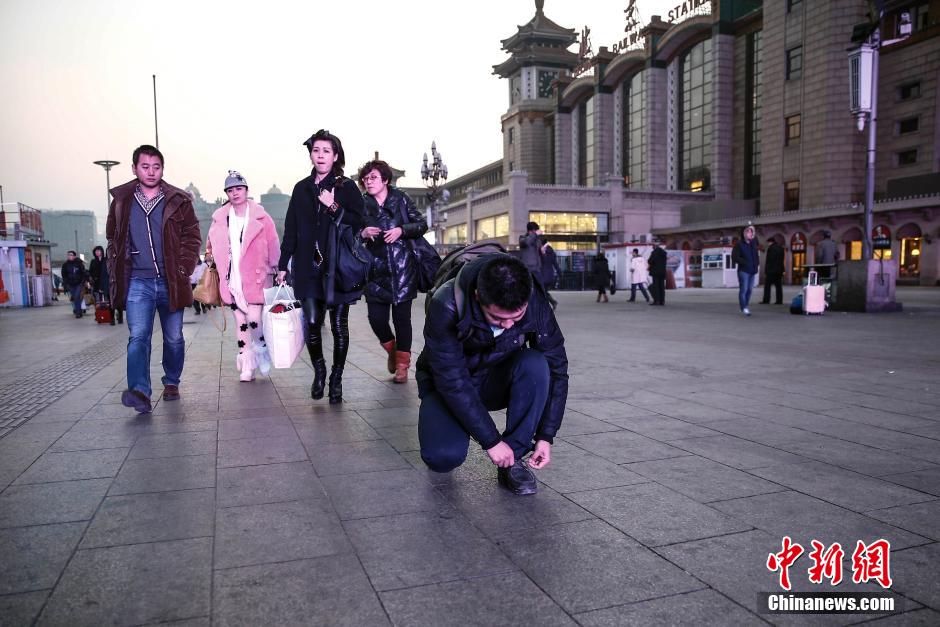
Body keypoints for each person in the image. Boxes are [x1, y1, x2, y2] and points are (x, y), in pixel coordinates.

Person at [416, 254, 568, 495]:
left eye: (516, 318)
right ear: (478, 297)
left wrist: (546, 435)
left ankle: (513, 459)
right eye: (498, 318)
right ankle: (457, 424)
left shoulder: (535, 300)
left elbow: (558, 369)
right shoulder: (446, 303)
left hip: (496, 379)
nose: (508, 326)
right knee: (442, 458)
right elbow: (453, 382)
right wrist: (492, 441)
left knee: (536, 364)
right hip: (448, 385)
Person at [106, 144, 201, 413]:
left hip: (171, 280)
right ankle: (140, 391)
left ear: (163, 168)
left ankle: (171, 381)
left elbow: (192, 236)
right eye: (145, 166)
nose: (150, 171)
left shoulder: (178, 200)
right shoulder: (122, 201)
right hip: (138, 281)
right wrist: (117, 262)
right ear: (134, 168)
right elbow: (113, 236)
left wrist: (183, 268)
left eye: (156, 166)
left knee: (174, 338)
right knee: (138, 336)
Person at [278, 130, 365, 404]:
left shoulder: (346, 187)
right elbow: (291, 228)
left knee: (339, 326)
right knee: (313, 323)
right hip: (307, 267)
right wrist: (283, 264)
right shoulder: (301, 188)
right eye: (316, 150)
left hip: (337, 267)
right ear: (311, 154)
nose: (321, 155)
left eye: (326, 151)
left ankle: (336, 379)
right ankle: (319, 370)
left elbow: (359, 220)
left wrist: (333, 206)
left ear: (335, 155)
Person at [208, 171, 281, 382]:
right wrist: (212, 257)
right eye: (230, 190)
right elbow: (211, 245)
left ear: (247, 191)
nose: (235, 193)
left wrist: (277, 268)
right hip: (232, 280)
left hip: (256, 277)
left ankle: (261, 349)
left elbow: (273, 243)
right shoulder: (220, 219)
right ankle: (247, 366)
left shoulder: (261, 217)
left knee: (254, 320)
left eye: (239, 189)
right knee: (241, 325)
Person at [359, 159, 427, 384]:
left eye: (373, 178)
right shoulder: (361, 204)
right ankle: (392, 350)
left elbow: (421, 224)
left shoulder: (401, 199)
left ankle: (402, 366)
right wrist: (362, 233)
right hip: (375, 271)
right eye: (366, 178)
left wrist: (401, 230)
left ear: (385, 180)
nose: (368, 182)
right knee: (376, 319)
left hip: (402, 269)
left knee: (402, 320)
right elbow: (348, 231)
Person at [732, 225, 760, 316]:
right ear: (744, 233)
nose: (750, 233)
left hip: (752, 270)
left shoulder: (753, 243)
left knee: (750, 290)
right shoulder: (739, 244)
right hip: (743, 271)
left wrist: (756, 264)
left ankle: (745, 306)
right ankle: (744, 307)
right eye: (748, 231)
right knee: (744, 289)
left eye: (751, 231)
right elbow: (734, 257)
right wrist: (745, 262)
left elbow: (756, 255)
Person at [88, 245, 115, 325]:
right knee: (98, 302)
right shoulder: (93, 261)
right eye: (96, 251)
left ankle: (110, 317)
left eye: (99, 251)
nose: (97, 252)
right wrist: (93, 278)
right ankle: (100, 316)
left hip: (106, 283)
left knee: (108, 301)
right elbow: (90, 271)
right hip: (97, 284)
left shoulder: (105, 260)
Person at [61, 250, 88, 318]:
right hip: (70, 284)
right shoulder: (65, 265)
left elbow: (83, 273)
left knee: (76, 296)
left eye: (71, 255)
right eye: (68, 255)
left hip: (79, 283)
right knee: (75, 298)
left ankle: (78, 312)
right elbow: (64, 275)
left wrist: (83, 281)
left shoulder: (79, 263)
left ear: (74, 256)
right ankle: (78, 310)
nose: (70, 256)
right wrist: (65, 283)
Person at [760, 237, 785, 305]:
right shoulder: (781, 248)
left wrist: (766, 271)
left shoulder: (770, 249)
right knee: (779, 287)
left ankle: (766, 300)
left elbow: (769, 261)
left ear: (770, 242)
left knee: (767, 286)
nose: (768, 244)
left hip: (771, 271)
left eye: (768, 243)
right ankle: (779, 301)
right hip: (779, 270)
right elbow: (782, 260)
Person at [539, 242, 560, 310]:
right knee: (543, 291)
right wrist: (560, 273)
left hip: (543, 275)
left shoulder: (542, 253)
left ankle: (552, 302)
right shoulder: (552, 253)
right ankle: (552, 302)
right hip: (550, 275)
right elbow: (556, 265)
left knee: (542, 291)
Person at [648, 242, 667, 306]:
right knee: (662, 286)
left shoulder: (654, 252)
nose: (652, 247)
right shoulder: (664, 253)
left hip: (655, 272)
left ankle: (657, 300)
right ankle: (662, 301)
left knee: (656, 287)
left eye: (652, 246)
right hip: (662, 272)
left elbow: (650, 261)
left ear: (654, 246)